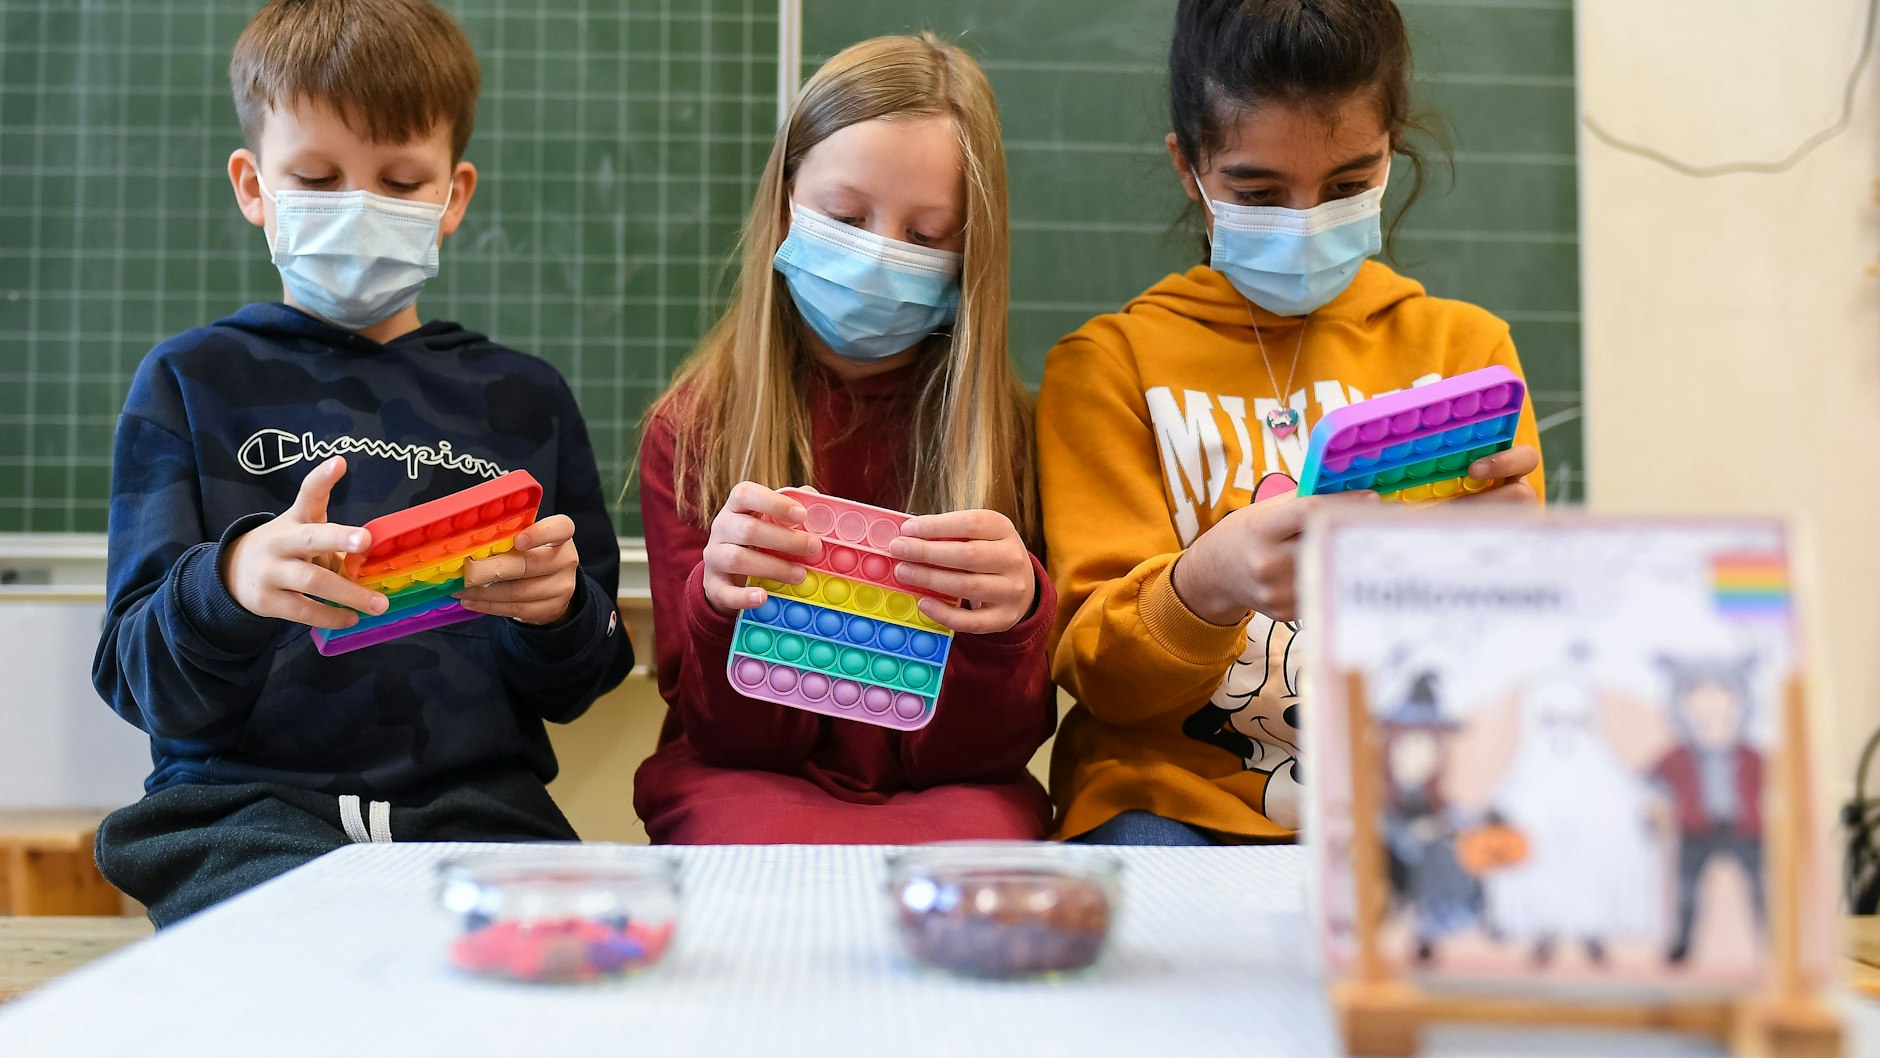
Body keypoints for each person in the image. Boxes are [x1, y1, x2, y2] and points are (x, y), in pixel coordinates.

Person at [92, 0, 632, 926]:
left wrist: (555, 615)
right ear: (253, 185)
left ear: (453, 196)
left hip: (482, 825)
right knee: (318, 972)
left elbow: (585, 676)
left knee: (570, 977)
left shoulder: (522, 399)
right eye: (315, 175)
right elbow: (139, 677)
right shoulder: (189, 382)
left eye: (398, 179)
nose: (357, 205)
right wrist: (228, 582)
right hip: (239, 827)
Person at [1039, 0, 1544, 844]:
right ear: (1189, 168)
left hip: (1406, 801)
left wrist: (1512, 573)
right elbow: (1105, 683)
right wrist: (1203, 587)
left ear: (1392, 152)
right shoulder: (1109, 366)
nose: (1306, 219)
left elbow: (1509, 674)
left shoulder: (1466, 353)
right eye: (1258, 191)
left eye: (1348, 186)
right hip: (1166, 803)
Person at [634, 33, 1057, 843]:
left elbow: (985, 755)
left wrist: (1016, 623)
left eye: (928, 235)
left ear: (976, 249)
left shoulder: (1010, 442)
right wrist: (724, 610)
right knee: (754, 853)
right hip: (743, 782)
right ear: (784, 202)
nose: (878, 255)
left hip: (954, 791)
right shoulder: (696, 430)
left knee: (983, 856)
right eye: (845, 216)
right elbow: (726, 738)